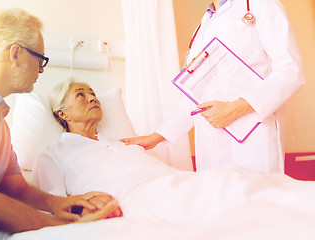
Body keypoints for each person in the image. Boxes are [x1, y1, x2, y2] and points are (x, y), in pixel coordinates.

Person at [32, 80, 315, 226]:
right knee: (224, 194)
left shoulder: (121, 143)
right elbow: (55, 206)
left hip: (172, 181)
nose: (92, 97)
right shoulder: (53, 153)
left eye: (93, 92)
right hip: (135, 197)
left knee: (232, 180)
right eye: (81, 95)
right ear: (62, 113)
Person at [0, 9, 121, 240]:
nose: (42, 69)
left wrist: (60, 203)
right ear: (15, 54)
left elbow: (16, 188)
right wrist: (59, 227)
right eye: (40, 59)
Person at [120, 0, 305, 174]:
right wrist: (155, 138)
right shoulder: (203, 26)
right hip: (210, 146)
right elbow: (192, 101)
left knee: (257, 203)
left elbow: (290, 71)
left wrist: (234, 109)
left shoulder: (259, 4)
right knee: (217, 202)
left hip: (253, 139)